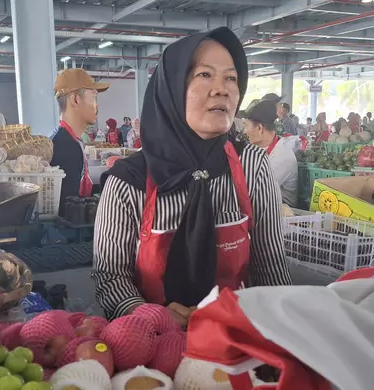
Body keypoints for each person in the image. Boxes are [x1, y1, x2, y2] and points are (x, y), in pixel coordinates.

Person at [93, 27, 292, 322]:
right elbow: (110, 277)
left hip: (235, 342)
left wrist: (278, 337)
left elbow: (270, 267)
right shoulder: (129, 181)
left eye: (231, 78)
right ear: (173, 87)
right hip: (152, 349)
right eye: (204, 75)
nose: (221, 89)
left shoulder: (251, 165)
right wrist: (151, 316)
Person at [50, 68, 110, 214]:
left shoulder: (66, 139)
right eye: (93, 97)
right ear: (75, 100)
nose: (97, 105)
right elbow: (70, 209)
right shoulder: (65, 147)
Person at [241, 99, 298, 206]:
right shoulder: (254, 148)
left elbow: (254, 192)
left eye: (246, 125)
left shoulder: (282, 156)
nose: (244, 131)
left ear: (259, 128)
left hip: (280, 214)